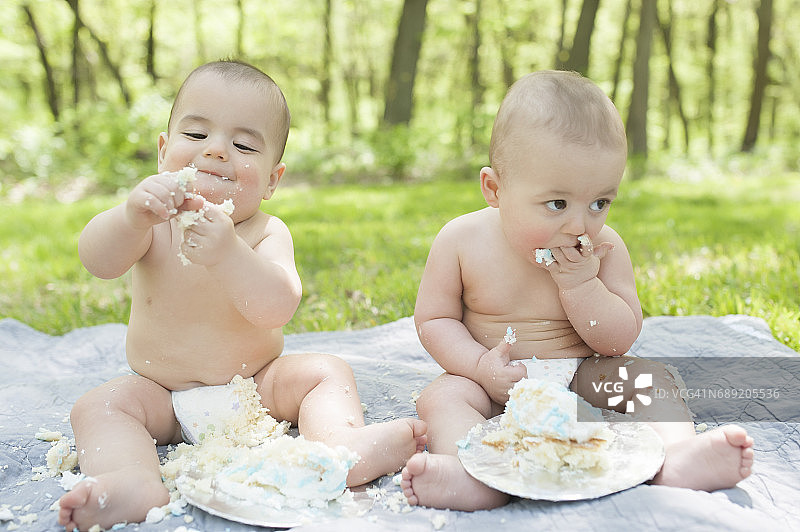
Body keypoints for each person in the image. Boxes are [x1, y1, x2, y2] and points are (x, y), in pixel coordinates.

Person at [58, 60, 426, 531]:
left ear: (273, 179)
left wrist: (228, 253)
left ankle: (342, 447)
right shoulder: (150, 224)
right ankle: (130, 481)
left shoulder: (267, 232)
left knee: (325, 371)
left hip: (257, 388)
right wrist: (129, 217)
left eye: (244, 144)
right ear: (163, 151)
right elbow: (97, 262)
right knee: (97, 407)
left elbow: (277, 306)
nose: (215, 151)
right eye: (196, 136)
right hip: (161, 394)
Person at [400, 70, 753, 511]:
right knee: (442, 398)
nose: (579, 225)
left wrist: (581, 285)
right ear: (495, 189)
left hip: (584, 373)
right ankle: (471, 473)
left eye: (599, 203)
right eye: (557, 204)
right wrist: (477, 367)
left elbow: (619, 339)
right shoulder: (461, 240)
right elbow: (435, 319)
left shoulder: (605, 249)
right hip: (490, 381)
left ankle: (677, 458)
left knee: (649, 378)